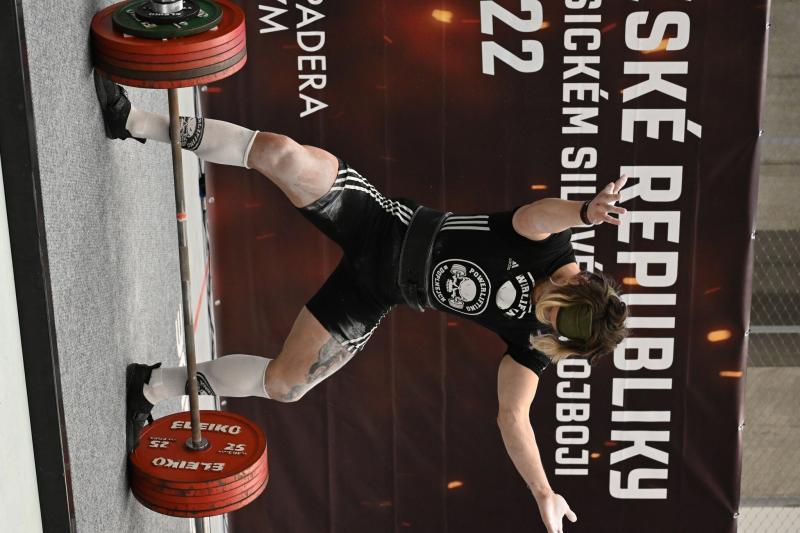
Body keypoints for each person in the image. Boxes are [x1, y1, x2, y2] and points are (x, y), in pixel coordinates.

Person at [95, 72, 629, 533]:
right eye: (559, 307)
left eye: (558, 327)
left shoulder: (536, 340)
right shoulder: (547, 245)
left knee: (288, 385)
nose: (548, 317)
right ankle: (135, 122)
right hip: (381, 221)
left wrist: (543, 492)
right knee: (281, 154)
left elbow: (513, 416)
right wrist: (585, 211)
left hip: (376, 292)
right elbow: (544, 214)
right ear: (578, 284)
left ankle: (151, 385)